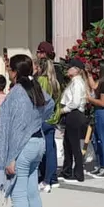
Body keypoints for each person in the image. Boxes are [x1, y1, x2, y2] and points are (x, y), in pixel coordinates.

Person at [0, 54, 51, 207]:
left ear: (14, 72)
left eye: (9, 69)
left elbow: (8, 128)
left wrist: (9, 159)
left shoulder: (17, 93)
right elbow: (49, 105)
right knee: (32, 193)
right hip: (38, 143)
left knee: (19, 196)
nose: (8, 72)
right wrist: (35, 122)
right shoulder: (36, 89)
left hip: (22, 149)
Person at [58, 60, 90, 183]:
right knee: (68, 143)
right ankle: (67, 170)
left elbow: (75, 103)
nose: (68, 69)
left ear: (76, 70)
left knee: (74, 144)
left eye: (70, 67)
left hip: (74, 114)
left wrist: (63, 110)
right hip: (72, 114)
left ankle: (78, 173)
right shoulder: (74, 82)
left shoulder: (77, 83)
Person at [35, 58, 62, 192]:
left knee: (41, 150)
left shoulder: (41, 81)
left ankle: (44, 179)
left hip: (43, 118)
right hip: (53, 119)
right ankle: (51, 179)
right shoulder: (55, 83)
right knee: (50, 149)